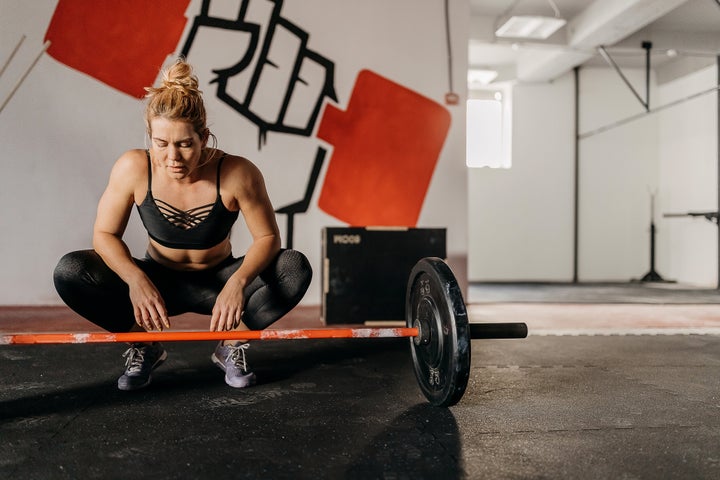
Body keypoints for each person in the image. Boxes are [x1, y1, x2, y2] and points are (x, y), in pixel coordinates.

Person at [53, 58, 312, 391]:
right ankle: (144, 347)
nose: (172, 157)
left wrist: (239, 281)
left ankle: (231, 345)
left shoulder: (237, 173)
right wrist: (135, 279)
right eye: (161, 144)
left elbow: (267, 237)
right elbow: (104, 235)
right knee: (70, 270)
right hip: (158, 283)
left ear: (203, 137)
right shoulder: (133, 168)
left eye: (184, 144)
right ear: (150, 138)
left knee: (294, 268)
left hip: (220, 282)